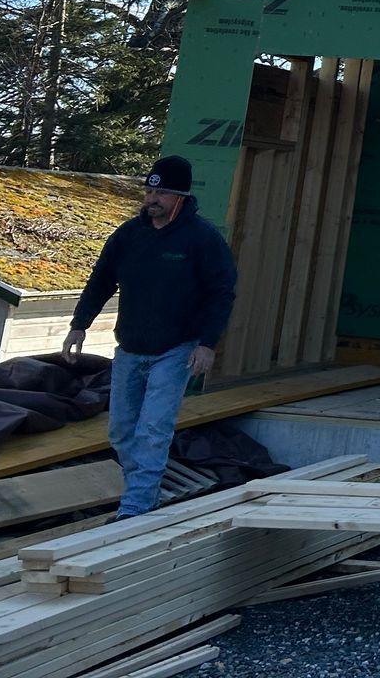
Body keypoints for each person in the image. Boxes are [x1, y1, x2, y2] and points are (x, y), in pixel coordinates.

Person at [62, 155, 238, 518]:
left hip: (177, 349)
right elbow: (100, 281)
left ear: (181, 197)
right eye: (149, 190)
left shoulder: (201, 239)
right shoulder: (128, 236)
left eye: (162, 192)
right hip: (130, 347)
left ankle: (137, 506)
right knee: (122, 431)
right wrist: (79, 324)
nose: (152, 199)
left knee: (154, 427)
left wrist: (207, 343)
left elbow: (221, 290)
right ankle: (141, 490)